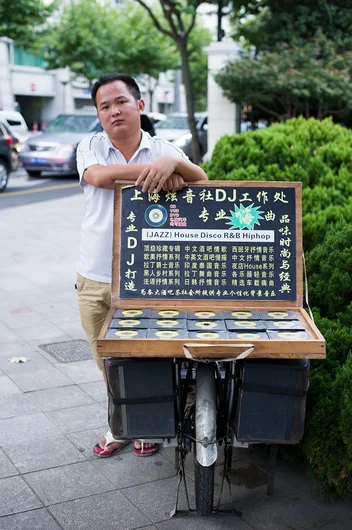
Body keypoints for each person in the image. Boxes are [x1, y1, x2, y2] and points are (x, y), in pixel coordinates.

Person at [76, 73, 207, 458]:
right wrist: (161, 173)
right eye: (104, 106)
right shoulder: (90, 147)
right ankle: (120, 425)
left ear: (140, 106)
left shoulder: (165, 148)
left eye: (120, 101)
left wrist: (173, 162)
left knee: (147, 354)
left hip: (149, 276)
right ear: (99, 115)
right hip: (96, 274)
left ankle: (146, 426)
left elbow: (202, 181)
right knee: (108, 361)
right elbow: (99, 178)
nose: (113, 111)